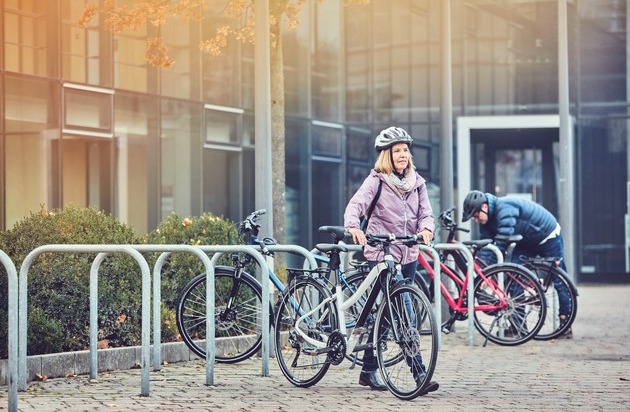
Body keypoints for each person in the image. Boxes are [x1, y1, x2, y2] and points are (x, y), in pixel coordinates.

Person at [344, 126, 439, 394]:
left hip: (408, 253)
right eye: (397, 151)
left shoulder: (417, 183)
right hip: (382, 254)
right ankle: (420, 373)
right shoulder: (377, 180)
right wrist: (354, 227)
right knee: (404, 312)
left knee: (386, 316)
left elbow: (426, 213)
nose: (402, 155)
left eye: (405, 150)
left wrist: (427, 230)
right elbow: (356, 205)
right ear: (387, 155)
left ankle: (367, 371)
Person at [461, 190, 574, 338]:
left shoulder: (505, 208)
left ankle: (565, 324)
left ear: (484, 207)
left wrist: (488, 274)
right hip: (525, 241)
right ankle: (518, 326)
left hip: (548, 236)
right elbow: (489, 250)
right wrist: (483, 272)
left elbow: (501, 243)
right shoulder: (486, 221)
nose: (475, 219)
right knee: (513, 276)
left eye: (476, 215)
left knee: (559, 280)